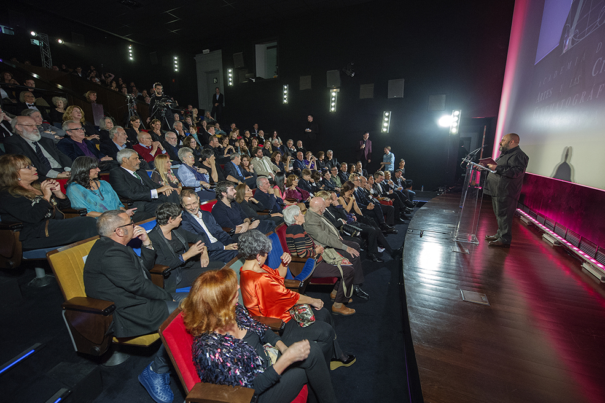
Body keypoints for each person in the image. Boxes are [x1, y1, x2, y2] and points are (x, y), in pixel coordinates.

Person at [183, 268, 338, 403]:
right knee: (312, 358)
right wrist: (286, 359)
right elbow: (249, 389)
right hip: (258, 394)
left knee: (316, 345)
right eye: (232, 289)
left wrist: (283, 348)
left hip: (268, 358)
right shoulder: (210, 349)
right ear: (219, 303)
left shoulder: (234, 310)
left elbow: (262, 330)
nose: (238, 287)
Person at [84, 210, 186, 403]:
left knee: (199, 299)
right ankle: (155, 371)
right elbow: (138, 285)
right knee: (187, 313)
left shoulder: (116, 245)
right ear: (119, 231)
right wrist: (170, 300)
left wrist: (146, 243)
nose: (134, 224)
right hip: (128, 311)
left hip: (140, 300)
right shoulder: (110, 253)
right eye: (130, 223)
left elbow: (143, 270)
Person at [238, 230, 356, 370]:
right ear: (258, 255)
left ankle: (335, 355)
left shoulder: (255, 268)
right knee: (325, 330)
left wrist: (284, 264)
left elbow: (277, 278)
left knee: (324, 314)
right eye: (266, 254)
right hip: (279, 323)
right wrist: (312, 300)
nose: (267, 256)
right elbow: (288, 296)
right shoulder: (259, 277)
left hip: (283, 311)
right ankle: (323, 366)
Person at [0, 154, 98, 249]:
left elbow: (66, 208)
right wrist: (46, 197)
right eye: (28, 167)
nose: (34, 168)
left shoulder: (38, 187)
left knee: (94, 224)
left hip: (53, 227)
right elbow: (33, 217)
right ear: (13, 173)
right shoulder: (7, 195)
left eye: (32, 166)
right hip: (34, 234)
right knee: (88, 223)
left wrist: (59, 193)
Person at [283, 205, 358, 315]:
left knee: (346, 265)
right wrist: (316, 251)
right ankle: (338, 305)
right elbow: (302, 253)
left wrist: (316, 249)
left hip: (312, 261)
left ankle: (337, 293)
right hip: (308, 265)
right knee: (349, 270)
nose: (303, 215)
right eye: (300, 213)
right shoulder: (296, 229)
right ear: (295, 217)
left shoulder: (296, 228)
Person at [148, 203, 223, 293]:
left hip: (188, 264)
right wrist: (188, 255)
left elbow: (198, 237)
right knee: (214, 275)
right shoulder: (152, 238)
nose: (181, 219)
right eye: (179, 217)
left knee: (222, 266)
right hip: (175, 274)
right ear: (170, 220)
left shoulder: (177, 229)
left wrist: (204, 252)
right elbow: (163, 264)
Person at [304, 197, 369, 301]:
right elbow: (325, 239)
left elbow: (328, 228)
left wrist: (337, 235)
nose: (326, 207)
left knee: (355, 245)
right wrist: (345, 248)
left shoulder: (316, 213)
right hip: (325, 249)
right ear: (321, 208)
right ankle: (353, 286)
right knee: (352, 253)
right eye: (324, 205)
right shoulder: (311, 220)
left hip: (330, 242)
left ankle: (343, 287)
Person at [483, 133, 529, 247]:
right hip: (497, 190)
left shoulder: (519, 155)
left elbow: (516, 172)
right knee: (499, 214)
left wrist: (496, 167)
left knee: (504, 215)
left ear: (512, 142)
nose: (500, 142)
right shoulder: (505, 154)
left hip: (506, 191)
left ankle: (504, 239)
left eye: (503, 140)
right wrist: (485, 166)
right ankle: (499, 234)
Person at [65, 156, 142, 219]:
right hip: (99, 222)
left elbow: (119, 205)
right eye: (95, 168)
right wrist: (113, 216)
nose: (99, 170)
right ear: (84, 169)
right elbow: (87, 213)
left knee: (144, 215)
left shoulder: (104, 183)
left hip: (116, 218)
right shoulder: (74, 188)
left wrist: (125, 213)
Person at [109, 148, 180, 215]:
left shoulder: (141, 171)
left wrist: (166, 188)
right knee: (165, 207)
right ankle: (175, 217)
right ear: (125, 160)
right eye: (135, 158)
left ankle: (178, 216)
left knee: (172, 193)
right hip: (139, 202)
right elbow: (129, 194)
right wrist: (157, 191)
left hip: (152, 198)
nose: (139, 161)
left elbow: (153, 185)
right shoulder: (116, 173)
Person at [179, 190, 239, 263]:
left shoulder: (207, 214)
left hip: (222, 245)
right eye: (188, 205)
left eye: (194, 203)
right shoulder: (184, 221)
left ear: (198, 199)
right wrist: (224, 247)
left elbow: (219, 232)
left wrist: (231, 243)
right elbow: (199, 242)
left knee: (245, 247)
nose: (192, 207)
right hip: (208, 252)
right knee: (238, 254)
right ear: (182, 205)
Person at [5, 116, 72, 179]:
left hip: (63, 171)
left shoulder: (46, 141)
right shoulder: (13, 142)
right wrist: (56, 175)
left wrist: (68, 170)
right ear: (18, 127)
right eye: (30, 125)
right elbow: (28, 162)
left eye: (35, 125)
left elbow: (62, 156)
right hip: (41, 175)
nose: (35, 128)